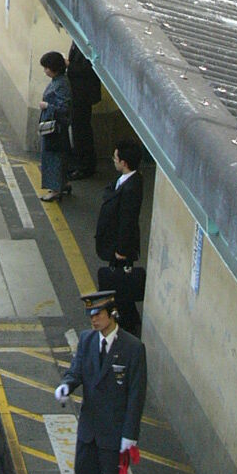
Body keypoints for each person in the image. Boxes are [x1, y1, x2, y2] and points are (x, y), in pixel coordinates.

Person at [54, 289, 147, 474]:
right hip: (90, 427)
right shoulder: (87, 340)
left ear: (111, 314)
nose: (93, 320)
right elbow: (77, 370)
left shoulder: (132, 348)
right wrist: (66, 385)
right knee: (84, 473)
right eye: (91, 316)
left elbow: (136, 395)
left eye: (98, 315)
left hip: (115, 435)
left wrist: (130, 435)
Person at [95, 140, 145, 333]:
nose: (113, 160)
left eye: (116, 158)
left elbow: (127, 221)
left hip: (121, 249)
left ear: (124, 162)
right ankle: (127, 318)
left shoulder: (131, 188)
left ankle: (128, 322)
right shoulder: (127, 181)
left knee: (121, 286)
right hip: (117, 245)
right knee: (121, 286)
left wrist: (121, 250)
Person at [37, 51, 72, 202]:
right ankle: (63, 183)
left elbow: (64, 108)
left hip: (55, 128)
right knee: (58, 156)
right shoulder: (58, 81)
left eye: (46, 68)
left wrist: (47, 106)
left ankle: (55, 189)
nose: (45, 71)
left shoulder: (61, 84)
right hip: (55, 126)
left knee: (53, 157)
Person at [65, 42, 101, 183]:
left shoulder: (89, 43)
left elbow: (89, 69)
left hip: (83, 95)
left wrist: (69, 65)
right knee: (78, 129)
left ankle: (84, 166)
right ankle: (78, 162)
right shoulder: (77, 42)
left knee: (81, 130)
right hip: (77, 94)